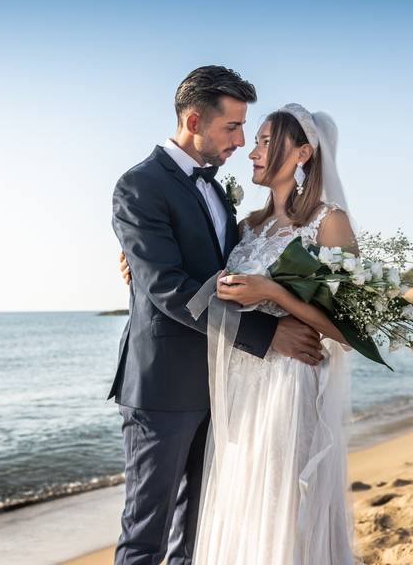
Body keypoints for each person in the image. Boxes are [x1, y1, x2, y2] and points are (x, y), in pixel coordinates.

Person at [110, 67, 325, 565]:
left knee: (201, 527)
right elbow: (168, 288)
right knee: (147, 532)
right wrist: (268, 335)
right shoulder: (139, 186)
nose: (242, 140)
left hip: (224, 384)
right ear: (194, 120)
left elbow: (228, 272)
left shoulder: (216, 191)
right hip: (163, 387)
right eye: (232, 127)